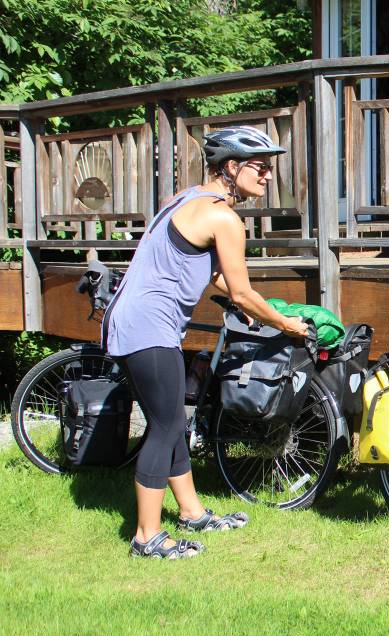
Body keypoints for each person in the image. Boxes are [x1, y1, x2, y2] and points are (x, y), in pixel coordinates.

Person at [102, 126, 310, 559]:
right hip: (148, 327)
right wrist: (286, 324)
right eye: (261, 167)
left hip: (133, 321)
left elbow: (210, 271)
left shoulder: (186, 199)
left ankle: (192, 511)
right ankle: (146, 536)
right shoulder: (224, 218)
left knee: (170, 419)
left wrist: (254, 307)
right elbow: (240, 291)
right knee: (165, 427)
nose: (269, 175)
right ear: (232, 167)